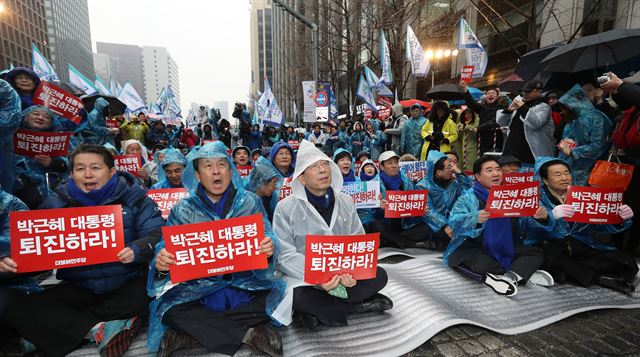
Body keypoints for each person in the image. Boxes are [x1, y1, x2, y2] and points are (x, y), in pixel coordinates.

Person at [2, 144, 163, 357]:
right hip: (79, 286)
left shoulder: (137, 198)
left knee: (148, 298)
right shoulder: (54, 204)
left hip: (127, 281)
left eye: (95, 168)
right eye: (80, 169)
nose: (87, 174)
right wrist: (13, 263)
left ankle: (55, 331)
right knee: (16, 307)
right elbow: (34, 252)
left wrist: (138, 248)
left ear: (112, 171)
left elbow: (157, 234)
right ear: (72, 173)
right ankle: (98, 330)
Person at [148, 141, 281, 357]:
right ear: (198, 175)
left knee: (278, 297)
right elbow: (163, 252)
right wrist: (162, 262)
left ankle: (193, 333)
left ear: (231, 170)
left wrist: (269, 248)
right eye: (208, 166)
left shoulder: (250, 202)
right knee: (170, 310)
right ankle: (249, 334)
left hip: (245, 286)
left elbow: (268, 236)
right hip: (198, 291)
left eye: (222, 165)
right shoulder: (182, 209)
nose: (216, 171)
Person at [271, 140, 392, 329]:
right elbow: (285, 256)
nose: (322, 170)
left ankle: (318, 313)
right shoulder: (285, 208)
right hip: (305, 276)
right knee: (297, 295)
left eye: (325, 164)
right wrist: (320, 278)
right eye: (313, 167)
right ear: (301, 178)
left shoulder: (345, 201)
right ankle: (354, 306)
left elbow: (357, 240)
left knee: (379, 275)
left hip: (344, 274)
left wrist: (352, 271)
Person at [446, 156, 554, 297]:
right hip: (477, 246)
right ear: (478, 176)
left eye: (497, 169)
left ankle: (510, 277)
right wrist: (474, 218)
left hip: (507, 244)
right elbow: (454, 223)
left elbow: (525, 225)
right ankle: (522, 273)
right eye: (489, 170)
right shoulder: (468, 197)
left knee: (536, 253)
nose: (496, 174)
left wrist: (541, 217)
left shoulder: (513, 195)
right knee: (483, 263)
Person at [525, 158, 637, 292]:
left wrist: (619, 219)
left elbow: (599, 225)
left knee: (626, 260)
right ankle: (600, 278)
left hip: (581, 246)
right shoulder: (535, 198)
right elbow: (525, 227)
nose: (564, 177)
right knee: (552, 257)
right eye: (558, 174)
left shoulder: (583, 195)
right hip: (551, 246)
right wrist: (550, 217)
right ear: (545, 180)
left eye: (567, 173)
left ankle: (569, 272)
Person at [603, 72, 640, 256]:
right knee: (622, 205)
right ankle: (619, 242)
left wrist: (622, 84)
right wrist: (616, 88)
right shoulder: (627, 114)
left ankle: (631, 246)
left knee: (635, 208)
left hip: (636, 167)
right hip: (626, 169)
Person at [367, 151, 430, 248]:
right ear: (382, 167)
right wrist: (379, 207)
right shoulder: (373, 184)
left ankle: (392, 241)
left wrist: (420, 209)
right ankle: (408, 243)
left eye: (396, 162)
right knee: (375, 225)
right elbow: (370, 215)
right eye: (390, 163)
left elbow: (412, 205)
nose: (394, 166)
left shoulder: (407, 181)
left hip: (405, 225)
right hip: (387, 224)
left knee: (427, 227)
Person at [12, 106, 71, 209]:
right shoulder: (10, 135)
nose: (40, 118)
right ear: (25, 117)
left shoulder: (58, 139)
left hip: (51, 189)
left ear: (51, 122)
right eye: (35, 114)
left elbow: (69, 164)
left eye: (46, 117)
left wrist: (51, 163)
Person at [556, 84, 612, 186]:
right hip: (572, 169)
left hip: (592, 170)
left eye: (564, 108)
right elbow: (567, 140)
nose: (562, 112)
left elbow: (598, 146)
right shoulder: (573, 120)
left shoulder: (597, 118)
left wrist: (573, 152)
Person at [416, 151, 472, 250]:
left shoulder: (453, 183)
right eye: (448, 167)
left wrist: (459, 173)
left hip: (453, 221)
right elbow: (428, 211)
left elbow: (468, 192)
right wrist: (444, 225)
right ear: (438, 172)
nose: (452, 169)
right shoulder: (422, 186)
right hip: (434, 224)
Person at [496, 80, 556, 164]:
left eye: (528, 92)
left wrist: (523, 107)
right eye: (524, 92)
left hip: (531, 153)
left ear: (538, 92)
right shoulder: (520, 105)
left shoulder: (544, 107)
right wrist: (509, 110)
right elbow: (501, 122)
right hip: (511, 151)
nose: (524, 94)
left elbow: (536, 123)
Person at [460, 83, 504, 154]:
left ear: (497, 96)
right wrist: (465, 91)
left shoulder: (501, 108)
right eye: (488, 93)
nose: (490, 95)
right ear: (485, 96)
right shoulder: (482, 108)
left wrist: (479, 128)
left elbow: (495, 121)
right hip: (482, 140)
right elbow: (471, 103)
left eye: (493, 93)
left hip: (495, 141)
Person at [244, 156, 282, 222]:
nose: (275, 187)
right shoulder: (247, 203)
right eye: (274, 183)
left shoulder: (270, 199)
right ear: (262, 182)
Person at [451, 108, 479, 173]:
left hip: (473, 149)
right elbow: (460, 138)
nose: (467, 115)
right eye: (466, 113)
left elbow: (475, 133)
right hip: (464, 149)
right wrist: (459, 131)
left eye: (469, 113)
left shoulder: (475, 123)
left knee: (471, 167)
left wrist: (467, 127)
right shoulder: (463, 124)